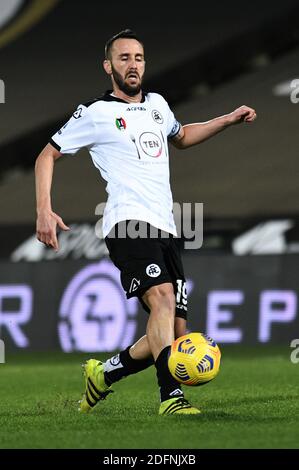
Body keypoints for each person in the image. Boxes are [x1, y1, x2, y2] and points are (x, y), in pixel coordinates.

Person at [35, 29, 256, 415]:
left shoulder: (157, 104)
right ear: (108, 66)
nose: (132, 64)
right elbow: (46, 155)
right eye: (123, 58)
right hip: (126, 222)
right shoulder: (95, 113)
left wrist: (229, 119)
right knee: (163, 300)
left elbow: (182, 136)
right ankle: (171, 398)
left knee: (174, 332)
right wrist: (44, 209)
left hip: (166, 225)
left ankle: (104, 374)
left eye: (138, 57)